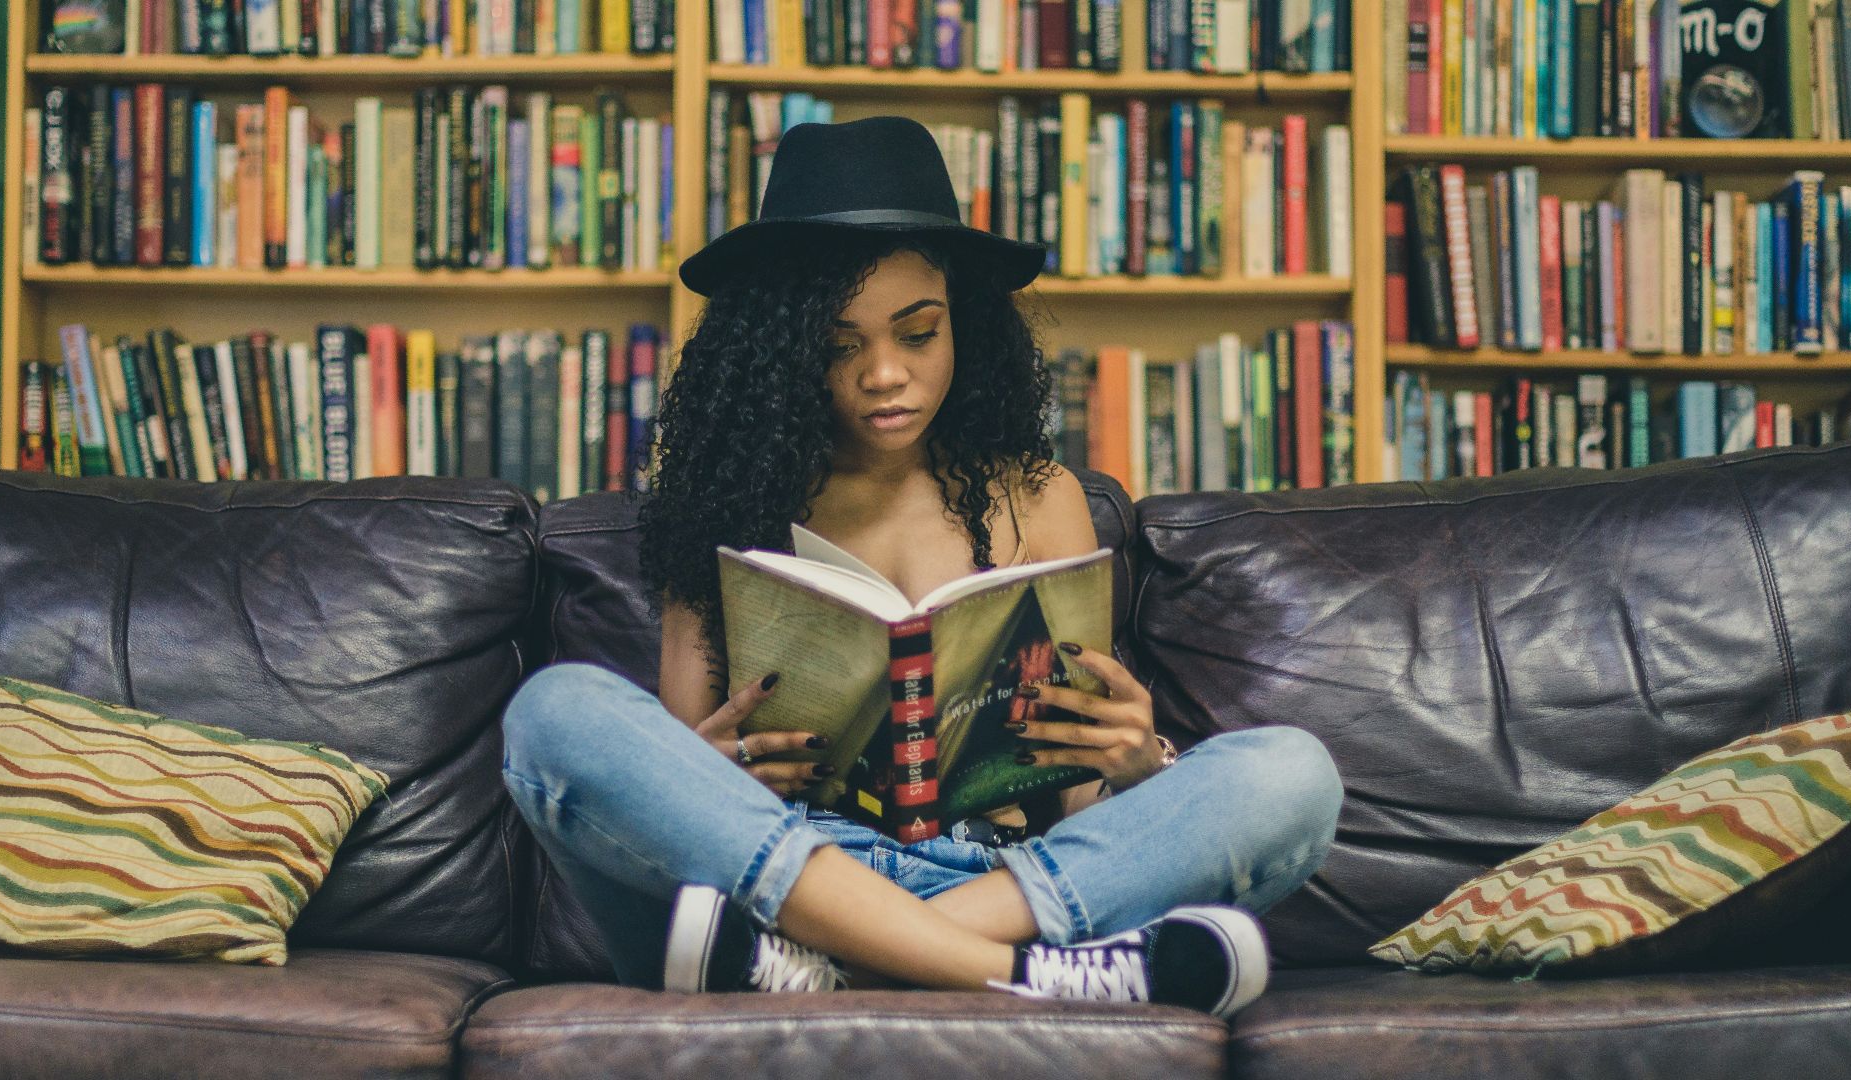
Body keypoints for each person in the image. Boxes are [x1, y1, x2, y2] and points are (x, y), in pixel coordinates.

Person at [498, 116, 1343, 1017]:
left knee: (1294, 775)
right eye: (839, 344)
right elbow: (677, 792)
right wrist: (706, 768)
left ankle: (851, 965)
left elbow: (1080, 805)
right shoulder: (718, 503)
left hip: (1003, 877)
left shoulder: (1041, 496)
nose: (884, 374)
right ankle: (1023, 976)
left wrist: (1139, 763)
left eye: (918, 332)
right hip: (782, 873)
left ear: (963, 327)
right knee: (555, 714)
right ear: (783, 352)